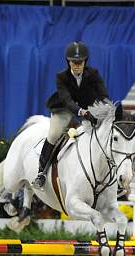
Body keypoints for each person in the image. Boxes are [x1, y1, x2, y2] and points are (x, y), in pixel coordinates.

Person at [32, 41, 110, 189]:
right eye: (73, 62)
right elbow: (66, 100)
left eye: (80, 62)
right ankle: (41, 173)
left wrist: (102, 109)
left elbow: (103, 94)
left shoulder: (93, 74)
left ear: (85, 61)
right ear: (68, 61)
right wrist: (81, 112)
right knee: (54, 134)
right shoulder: (61, 77)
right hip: (64, 109)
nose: (76, 65)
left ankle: (108, 175)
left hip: (88, 109)